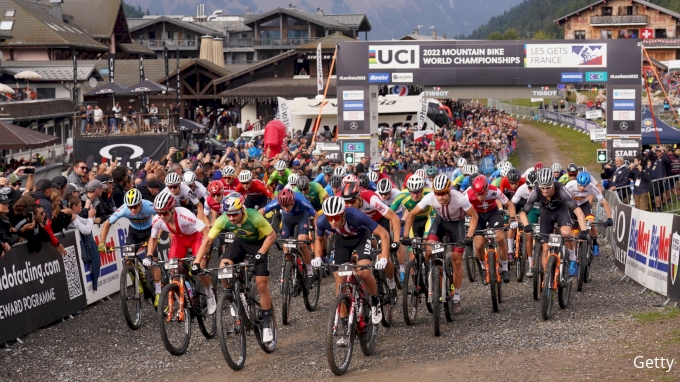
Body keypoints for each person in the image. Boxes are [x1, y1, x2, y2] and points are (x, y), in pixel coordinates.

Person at [193, 195, 277, 342]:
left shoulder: (254, 216)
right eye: (228, 215)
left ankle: (266, 323)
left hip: (259, 244)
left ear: (242, 210)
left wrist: (261, 253)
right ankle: (233, 296)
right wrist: (197, 261)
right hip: (241, 243)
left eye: (234, 214)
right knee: (223, 268)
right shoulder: (223, 220)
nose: (231, 218)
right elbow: (208, 241)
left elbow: (271, 235)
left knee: (261, 284)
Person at [402, 174, 478, 314]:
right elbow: (411, 214)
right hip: (440, 222)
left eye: (443, 193)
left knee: (456, 261)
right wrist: (406, 235)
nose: (441, 197)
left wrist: (469, 236)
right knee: (428, 251)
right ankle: (430, 275)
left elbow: (474, 216)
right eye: (438, 193)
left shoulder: (460, 198)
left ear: (449, 191)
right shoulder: (430, 197)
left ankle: (456, 298)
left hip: (457, 225)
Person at [312, 196, 392, 329]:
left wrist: (383, 257)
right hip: (342, 241)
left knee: (364, 272)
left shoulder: (356, 215)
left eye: (336, 217)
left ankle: (375, 300)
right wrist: (317, 257)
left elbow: (384, 234)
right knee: (340, 281)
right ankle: (344, 325)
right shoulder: (321, 221)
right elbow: (319, 239)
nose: (332, 222)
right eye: (329, 218)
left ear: (343, 213)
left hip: (361, 237)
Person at [146, 192, 216, 314]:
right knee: (174, 272)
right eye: (159, 213)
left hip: (196, 237)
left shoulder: (185, 215)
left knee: (200, 268)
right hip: (179, 239)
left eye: (165, 212)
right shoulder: (158, 220)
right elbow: (153, 238)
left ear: (172, 209)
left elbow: (206, 233)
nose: (162, 216)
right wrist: (149, 255)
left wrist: (200, 257)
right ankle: (181, 302)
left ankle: (209, 292)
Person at [519, 168, 588, 278]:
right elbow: (523, 213)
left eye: (548, 188)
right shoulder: (536, 192)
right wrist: (527, 226)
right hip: (546, 214)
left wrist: (584, 230)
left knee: (565, 233)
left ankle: (572, 257)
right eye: (542, 188)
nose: (545, 191)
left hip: (561, 211)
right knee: (545, 247)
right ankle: (548, 279)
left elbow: (578, 212)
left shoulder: (561, 190)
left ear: (553, 184)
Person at [260, 188, 317, 284]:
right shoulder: (278, 201)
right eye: (283, 207)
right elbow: (261, 212)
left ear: (293, 202)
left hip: (301, 217)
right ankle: (289, 266)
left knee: (302, 244)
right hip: (287, 220)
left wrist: (317, 231)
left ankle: (310, 270)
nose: (285, 209)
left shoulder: (301, 200)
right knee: (285, 245)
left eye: (288, 206)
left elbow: (315, 215)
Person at [564, 172, 613, 257]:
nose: (582, 188)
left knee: (591, 222)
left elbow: (604, 202)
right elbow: (561, 200)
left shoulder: (592, 187)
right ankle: (575, 257)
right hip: (572, 206)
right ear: (576, 182)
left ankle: (594, 243)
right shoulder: (570, 185)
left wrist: (609, 218)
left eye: (585, 186)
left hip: (584, 204)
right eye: (580, 186)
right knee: (574, 233)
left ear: (589, 184)